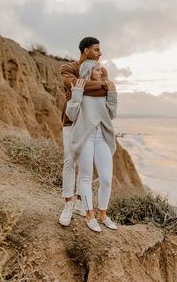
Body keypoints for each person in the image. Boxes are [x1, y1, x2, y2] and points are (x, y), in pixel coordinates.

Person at [59, 37, 109, 227]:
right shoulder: (68, 68)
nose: (100, 53)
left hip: (90, 123)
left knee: (85, 165)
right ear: (86, 50)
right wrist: (102, 85)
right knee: (69, 160)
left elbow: (107, 92)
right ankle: (68, 204)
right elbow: (75, 86)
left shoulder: (101, 70)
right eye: (97, 49)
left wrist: (85, 88)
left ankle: (81, 202)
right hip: (71, 121)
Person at [66, 59, 117, 232]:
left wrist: (112, 94)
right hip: (85, 136)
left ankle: (103, 214)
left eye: (100, 69)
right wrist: (77, 94)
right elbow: (72, 115)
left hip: (102, 137)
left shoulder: (104, 89)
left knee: (106, 179)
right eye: (97, 69)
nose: (101, 72)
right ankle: (89, 215)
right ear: (88, 71)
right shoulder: (81, 87)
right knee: (86, 176)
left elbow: (112, 113)